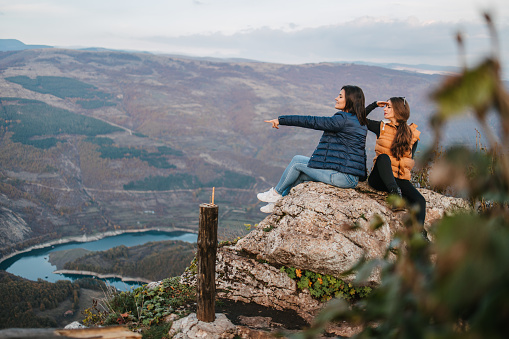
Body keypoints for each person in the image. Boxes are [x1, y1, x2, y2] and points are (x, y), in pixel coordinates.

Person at [258, 85, 368, 213]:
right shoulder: (359, 121)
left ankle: (276, 193)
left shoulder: (342, 120)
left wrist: (281, 120)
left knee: (297, 161)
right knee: (301, 175)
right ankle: (279, 202)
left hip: (343, 176)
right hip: (349, 176)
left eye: (340, 96)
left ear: (350, 99)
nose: (336, 98)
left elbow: (311, 121)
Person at [365, 97, 427, 233]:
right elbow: (359, 119)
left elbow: (408, 161)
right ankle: (395, 194)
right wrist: (374, 104)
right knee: (383, 158)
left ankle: (420, 235)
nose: (384, 109)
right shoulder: (381, 127)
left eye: (389, 107)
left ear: (398, 110)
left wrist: (406, 186)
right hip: (379, 179)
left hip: (398, 179)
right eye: (385, 106)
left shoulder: (412, 136)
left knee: (420, 201)